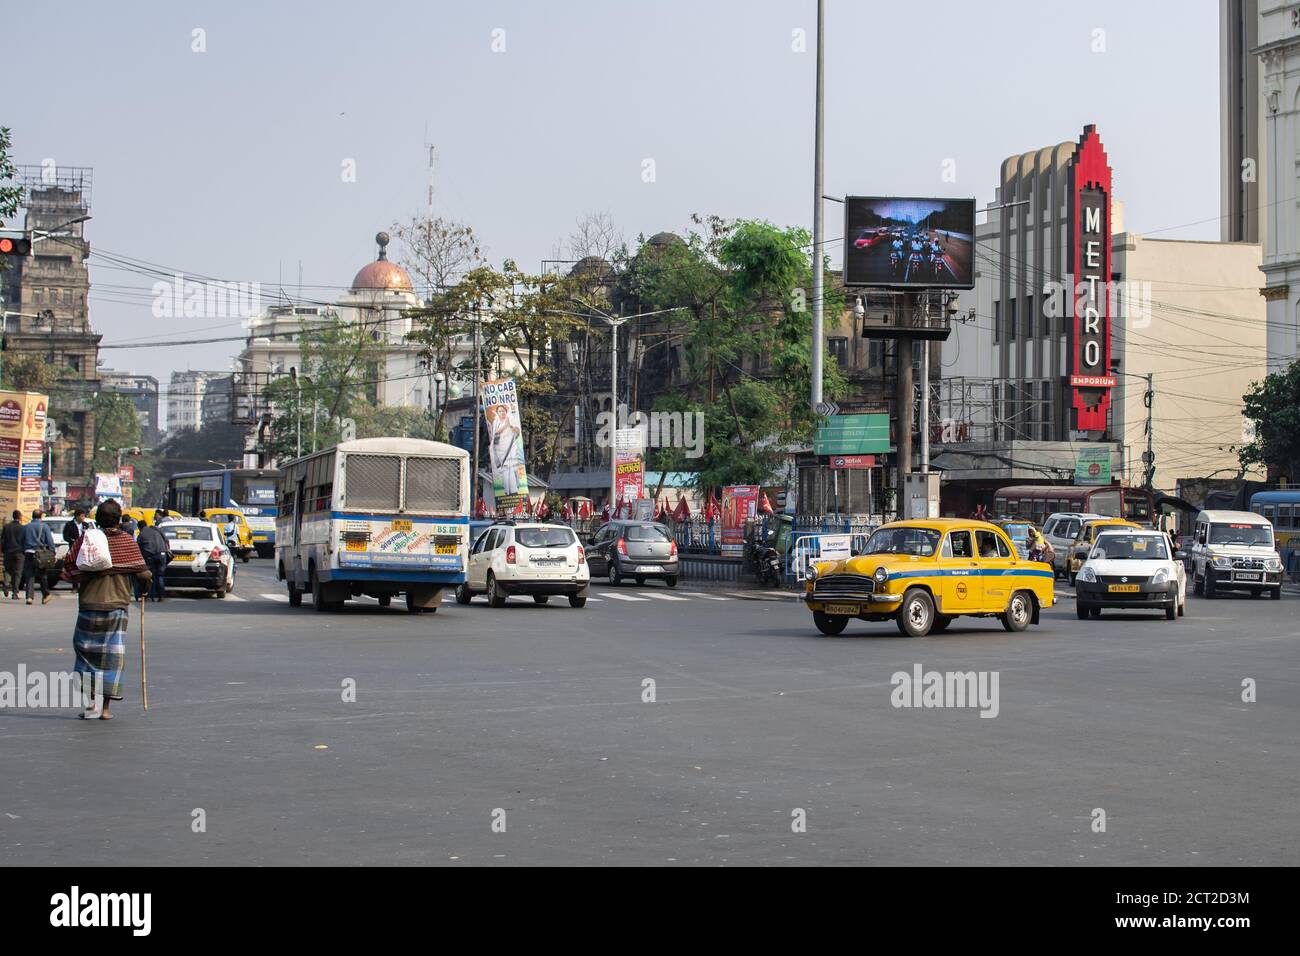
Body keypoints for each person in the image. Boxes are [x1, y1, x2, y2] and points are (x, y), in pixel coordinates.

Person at [63, 499, 150, 721]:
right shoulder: (127, 542)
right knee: (111, 657)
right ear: (119, 519)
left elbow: (69, 566)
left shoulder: (87, 540)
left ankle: (91, 705)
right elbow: (143, 574)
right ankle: (105, 709)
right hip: (117, 607)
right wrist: (144, 588)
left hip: (89, 606)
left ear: (97, 519)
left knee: (87, 655)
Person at [21, 509, 57, 605]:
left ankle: (29, 597)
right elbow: (49, 541)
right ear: (41, 516)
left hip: (29, 552)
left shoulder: (26, 527)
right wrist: (53, 552)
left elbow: (21, 541)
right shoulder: (44, 527)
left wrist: (24, 550)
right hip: (41, 553)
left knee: (29, 575)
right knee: (42, 574)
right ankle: (46, 594)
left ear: (32, 516)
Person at [135, 517, 171, 602]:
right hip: (162, 554)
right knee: (159, 576)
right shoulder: (156, 529)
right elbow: (166, 540)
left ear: (139, 527)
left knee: (148, 576)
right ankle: (161, 596)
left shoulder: (141, 534)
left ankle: (147, 596)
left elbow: (138, 549)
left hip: (150, 556)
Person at [2, 510, 25, 600]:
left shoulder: (6, 527)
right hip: (19, 553)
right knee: (18, 573)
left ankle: (6, 584)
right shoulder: (22, 528)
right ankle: (15, 593)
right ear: (19, 517)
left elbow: (2, 541)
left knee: (8, 570)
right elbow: (24, 541)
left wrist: (4, 551)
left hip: (8, 552)